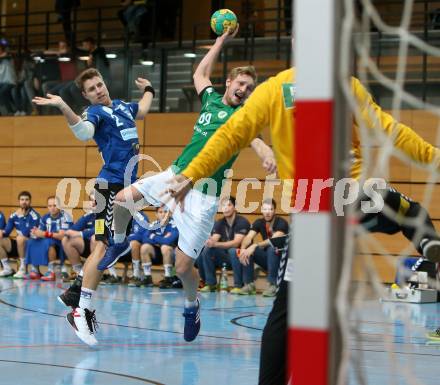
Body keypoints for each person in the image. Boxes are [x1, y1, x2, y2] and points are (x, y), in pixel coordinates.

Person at [165, 67, 440, 384]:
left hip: (310, 210)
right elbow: (391, 131)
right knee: (409, 211)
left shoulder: (272, 89)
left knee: (284, 312)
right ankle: (422, 236)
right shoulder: (346, 84)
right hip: (348, 196)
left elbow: (228, 136)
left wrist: (191, 173)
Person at [102, 26, 276, 344]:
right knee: (124, 198)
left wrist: (266, 152)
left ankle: (191, 305)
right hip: (176, 174)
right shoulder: (210, 99)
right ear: (229, 83)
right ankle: (119, 243)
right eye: (241, 83)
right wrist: (221, 41)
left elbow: (256, 139)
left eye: (250, 87)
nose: (245, 90)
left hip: (203, 197)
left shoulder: (244, 117)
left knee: (183, 267)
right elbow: (200, 73)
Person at [32, 67, 153, 346]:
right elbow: (84, 133)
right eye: (92, 89)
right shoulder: (95, 113)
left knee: (104, 246)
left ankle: (76, 291)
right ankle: (80, 310)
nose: (98, 90)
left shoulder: (123, 106)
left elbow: (144, 110)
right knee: (111, 246)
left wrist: (149, 89)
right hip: (108, 189)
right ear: (86, 96)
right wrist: (63, 106)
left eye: (99, 85)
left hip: (122, 190)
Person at [198, 196, 251, 293]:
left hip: (240, 257)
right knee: (206, 250)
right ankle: (210, 284)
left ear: (234, 207)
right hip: (225, 258)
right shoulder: (220, 222)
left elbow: (236, 243)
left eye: (229, 205)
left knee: (232, 250)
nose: (226, 208)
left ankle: (238, 285)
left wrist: (215, 244)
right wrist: (209, 241)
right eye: (223, 206)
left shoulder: (242, 222)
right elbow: (214, 239)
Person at [238, 198, 289, 297]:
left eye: (270, 209)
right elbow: (248, 237)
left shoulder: (281, 222)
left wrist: (255, 245)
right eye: (265, 209)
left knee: (272, 247)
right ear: (261, 210)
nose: (267, 212)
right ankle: (249, 284)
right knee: (248, 249)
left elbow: (273, 240)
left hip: (282, 260)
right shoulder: (259, 222)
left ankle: (273, 285)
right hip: (269, 259)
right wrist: (243, 249)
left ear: (275, 210)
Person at [25, 196, 73, 281]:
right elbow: (41, 232)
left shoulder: (66, 217)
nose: (52, 208)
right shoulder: (45, 217)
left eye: (55, 205)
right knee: (31, 241)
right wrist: (35, 233)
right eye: (50, 206)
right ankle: (35, 270)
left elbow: (63, 236)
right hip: (49, 240)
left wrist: (45, 233)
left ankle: (51, 271)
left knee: (49, 242)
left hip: (63, 244)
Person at [0, 191, 40, 278]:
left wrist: (21, 217)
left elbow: (26, 233)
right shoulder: (14, 215)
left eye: (26, 199)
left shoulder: (35, 216)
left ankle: (23, 269)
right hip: (20, 244)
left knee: (20, 238)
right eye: (22, 199)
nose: (24, 202)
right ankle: (7, 269)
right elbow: (7, 231)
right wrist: (1, 232)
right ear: (19, 201)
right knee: (1, 240)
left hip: (34, 245)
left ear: (30, 201)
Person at [139, 206, 179, 288]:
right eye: (160, 212)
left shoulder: (174, 225)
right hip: (158, 254)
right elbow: (144, 238)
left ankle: (168, 277)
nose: (163, 214)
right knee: (145, 247)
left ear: (169, 214)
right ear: (156, 214)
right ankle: (148, 278)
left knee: (165, 247)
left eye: (165, 212)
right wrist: (161, 239)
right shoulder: (154, 224)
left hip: (173, 256)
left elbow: (169, 241)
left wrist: (153, 236)